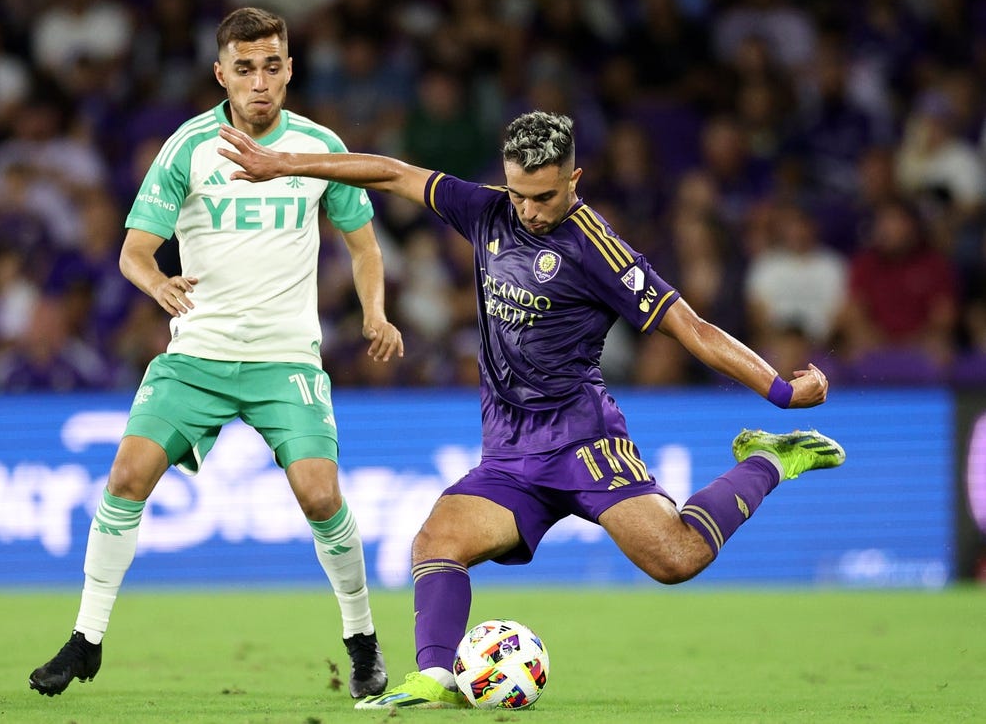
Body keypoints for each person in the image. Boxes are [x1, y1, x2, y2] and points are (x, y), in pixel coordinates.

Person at [218, 110, 845, 709]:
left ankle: (768, 459)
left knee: (676, 558)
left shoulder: (597, 249)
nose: (529, 211)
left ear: (574, 179)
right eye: (519, 194)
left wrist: (779, 389)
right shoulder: (487, 210)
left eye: (544, 197)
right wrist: (285, 164)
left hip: (582, 442)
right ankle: (436, 677)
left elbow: (692, 327)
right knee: (436, 541)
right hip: (510, 450)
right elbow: (391, 173)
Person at [29, 7, 401, 699]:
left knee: (320, 493)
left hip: (285, 357)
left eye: (271, 66)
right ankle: (85, 640)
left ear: (288, 68)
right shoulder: (188, 147)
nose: (259, 82)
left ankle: (362, 640)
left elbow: (363, 244)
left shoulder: (318, 147)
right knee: (125, 477)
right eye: (244, 68)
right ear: (220, 73)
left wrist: (375, 311)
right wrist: (157, 282)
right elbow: (133, 250)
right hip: (197, 356)